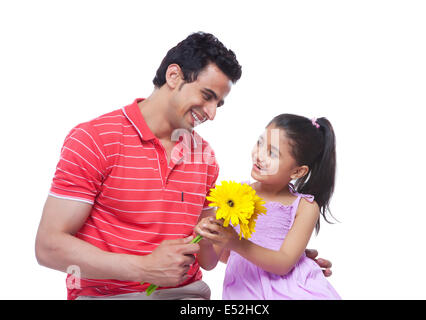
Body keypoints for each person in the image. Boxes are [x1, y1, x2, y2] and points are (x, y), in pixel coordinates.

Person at [35, 32, 332, 300]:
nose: (212, 114)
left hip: (187, 298)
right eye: (207, 96)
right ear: (174, 76)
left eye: (219, 103)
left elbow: (209, 253)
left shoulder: (204, 157)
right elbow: (48, 247)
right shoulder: (94, 139)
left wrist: (285, 265)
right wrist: (143, 268)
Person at [194, 114, 340, 299]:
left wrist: (236, 243)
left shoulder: (305, 207)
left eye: (272, 153)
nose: (259, 155)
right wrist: (206, 240)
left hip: (293, 290)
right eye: (260, 143)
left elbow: (283, 263)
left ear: (298, 171)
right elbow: (210, 262)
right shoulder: (234, 195)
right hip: (245, 291)